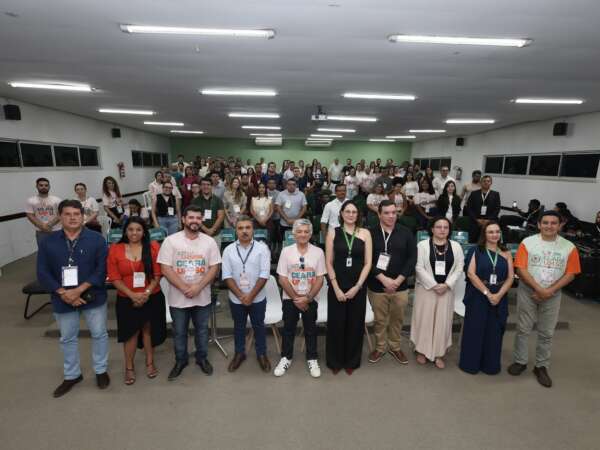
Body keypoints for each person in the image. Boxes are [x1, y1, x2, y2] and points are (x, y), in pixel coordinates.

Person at [37, 199, 110, 397]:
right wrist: (63, 293)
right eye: (67, 214)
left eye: (76, 214)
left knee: (99, 334)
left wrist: (78, 291)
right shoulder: (48, 242)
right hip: (62, 298)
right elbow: (42, 272)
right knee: (67, 338)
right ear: (59, 216)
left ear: (82, 216)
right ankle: (72, 375)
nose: (72, 218)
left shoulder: (97, 239)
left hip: (93, 296)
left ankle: (101, 370)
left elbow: (102, 270)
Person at [508, 211, 581, 387]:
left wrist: (549, 291)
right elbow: (520, 269)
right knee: (523, 329)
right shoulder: (528, 243)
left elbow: (571, 273)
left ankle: (541, 366)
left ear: (560, 225)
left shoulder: (569, 247)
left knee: (546, 332)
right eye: (545, 223)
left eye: (553, 223)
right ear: (539, 225)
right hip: (528, 291)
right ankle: (520, 361)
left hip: (553, 294)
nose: (549, 226)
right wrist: (539, 289)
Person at [157, 205, 222, 380]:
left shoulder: (209, 242)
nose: (195, 221)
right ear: (183, 219)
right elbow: (165, 268)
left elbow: (214, 267)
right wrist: (184, 287)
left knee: (202, 330)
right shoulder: (170, 241)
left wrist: (198, 287)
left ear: (202, 220)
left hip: (202, 296)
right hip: (178, 298)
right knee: (179, 332)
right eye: (191, 217)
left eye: (198, 218)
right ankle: (181, 360)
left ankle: (202, 358)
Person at [107, 217, 166, 385]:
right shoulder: (115, 249)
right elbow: (114, 277)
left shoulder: (153, 247)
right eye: (131, 229)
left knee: (148, 331)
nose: (134, 233)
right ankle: (129, 367)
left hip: (151, 296)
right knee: (130, 333)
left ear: (144, 232)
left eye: (138, 229)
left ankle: (150, 362)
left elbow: (157, 274)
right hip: (126, 298)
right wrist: (132, 295)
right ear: (125, 231)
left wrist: (146, 293)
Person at [459, 221, 514, 375]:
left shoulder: (506, 253)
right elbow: (471, 274)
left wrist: (498, 295)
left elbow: (510, 277)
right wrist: (488, 294)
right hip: (478, 296)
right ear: (484, 234)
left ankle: (490, 365)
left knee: (494, 332)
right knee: (474, 330)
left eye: (497, 231)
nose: (494, 235)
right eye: (490, 232)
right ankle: (470, 364)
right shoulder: (476, 251)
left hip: (499, 296)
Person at [274, 219, 326, 378]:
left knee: (311, 329)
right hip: (290, 298)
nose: (303, 234)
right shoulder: (286, 251)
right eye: (299, 231)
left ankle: (312, 358)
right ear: (294, 234)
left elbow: (320, 278)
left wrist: (308, 298)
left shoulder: (318, 252)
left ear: (310, 234)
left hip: (311, 298)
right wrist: (297, 298)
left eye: (306, 231)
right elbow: (282, 278)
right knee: (288, 329)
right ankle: (286, 357)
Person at [325, 201, 372, 374]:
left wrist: (358, 286)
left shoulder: (365, 233)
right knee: (336, 324)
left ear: (358, 215)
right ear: (342, 213)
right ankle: (335, 361)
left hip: (357, 286)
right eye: (348, 211)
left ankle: (352, 361)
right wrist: (336, 288)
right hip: (337, 285)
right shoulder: (333, 232)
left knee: (355, 324)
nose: (351, 215)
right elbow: (328, 262)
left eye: (354, 212)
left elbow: (368, 263)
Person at [367, 200, 417, 365]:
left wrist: (398, 281)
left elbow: (412, 258)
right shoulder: (370, 233)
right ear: (379, 214)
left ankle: (395, 347)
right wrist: (383, 279)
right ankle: (380, 347)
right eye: (387, 213)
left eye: (394, 212)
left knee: (397, 319)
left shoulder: (406, 232)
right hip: (377, 285)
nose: (391, 216)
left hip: (400, 286)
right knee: (379, 320)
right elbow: (367, 260)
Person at [411, 217, 464, 368]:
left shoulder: (456, 246)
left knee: (443, 322)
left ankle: (439, 353)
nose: (442, 230)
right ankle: (422, 350)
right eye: (438, 227)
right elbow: (418, 267)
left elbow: (459, 267)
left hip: (446, 291)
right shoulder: (422, 245)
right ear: (432, 229)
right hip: (426, 290)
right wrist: (434, 285)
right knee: (425, 320)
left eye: (445, 227)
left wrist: (447, 285)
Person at [222, 216, 272, 372]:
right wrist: (241, 296)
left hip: (257, 298)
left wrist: (250, 296)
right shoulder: (228, 250)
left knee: (259, 326)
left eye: (248, 228)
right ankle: (239, 353)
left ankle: (261, 354)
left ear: (253, 230)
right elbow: (227, 276)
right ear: (235, 231)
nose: (244, 231)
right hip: (236, 299)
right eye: (240, 228)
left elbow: (264, 275)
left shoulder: (262, 249)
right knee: (238, 327)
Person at [465, 175, 501, 243]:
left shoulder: (495, 194)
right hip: (475, 221)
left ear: (491, 183)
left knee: (488, 241)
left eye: (488, 181)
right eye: (484, 181)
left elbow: (497, 209)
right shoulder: (474, 193)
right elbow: (469, 208)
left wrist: (488, 220)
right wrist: (476, 219)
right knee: (472, 241)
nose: (486, 182)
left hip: (490, 222)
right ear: (481, 182)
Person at [26, 177, 62, 245]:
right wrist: (42, 226)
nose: (44, 187)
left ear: (49, 187)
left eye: (46, 185)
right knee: (43, 250)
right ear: (37, 186)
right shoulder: (31, 200)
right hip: (41, 231)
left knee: (59, 248)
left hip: (57, 230)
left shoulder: (57, 200)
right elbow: (30, 215)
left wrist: (49, 225)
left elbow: (60, 214)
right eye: (41, 185)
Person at [191, 177, 225, 248]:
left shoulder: (218, 200)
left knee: (215, 254)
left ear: (212, 186)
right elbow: (194, 217)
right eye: (203, 184)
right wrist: (206, 230)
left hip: (215, 235)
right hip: (199, 234)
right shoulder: (195, 201)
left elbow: (221, 216)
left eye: (208, 184)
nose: (206, 186)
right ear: (200, 186)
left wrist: (212, 230)